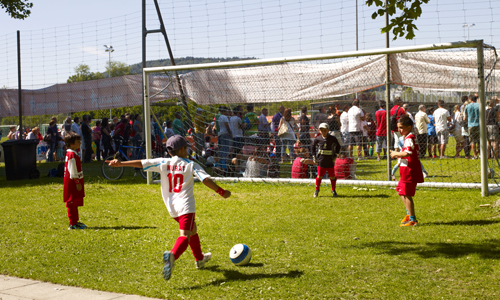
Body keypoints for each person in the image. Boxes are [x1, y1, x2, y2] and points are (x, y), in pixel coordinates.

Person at [106, 135, 231, 280]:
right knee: (185, 235)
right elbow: (206, 179)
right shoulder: (190, 164)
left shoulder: (162, 162)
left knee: (193, 228)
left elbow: (141, 163)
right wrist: (222, 192)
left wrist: (121, 164)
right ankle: (172, 255)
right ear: (183, 149)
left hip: (171, 207)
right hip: (185, 206)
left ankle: (199, 259)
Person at [390, 116, 424, 227]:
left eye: (401, 127)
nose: (399, 130)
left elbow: (407, 153)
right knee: (400, 190)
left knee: (407, 194)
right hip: (405, 169)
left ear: (409, 127)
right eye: (398, 128)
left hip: (410, 170)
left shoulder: (410, 138)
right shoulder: (407, 137)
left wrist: (396, 154)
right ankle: (409, 214)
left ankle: (413, 220)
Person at [63, 132, 87, 230]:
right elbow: (72, 170)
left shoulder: (72, 153)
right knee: (72, 203)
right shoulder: (72, 154)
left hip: (74, 181)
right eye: (78, 141)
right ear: (72, 143)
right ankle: (72, 224)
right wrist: (77, 182)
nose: (80, 143)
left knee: (75, 202)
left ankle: (75, 221)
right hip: (73, 182)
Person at [312, 123, 341, 198]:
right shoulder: (318, 139)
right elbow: (312, 146)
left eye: (325, 130)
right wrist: (314, 156)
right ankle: (317, 190)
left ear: (328, 130)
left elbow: (338, 146)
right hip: (321, 161)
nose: (323, 132)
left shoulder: (332, 138)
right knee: (319, 176)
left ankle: (333, 189)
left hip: (330, 160)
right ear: (319, 131)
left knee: (332, 176)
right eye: (321, 130)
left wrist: (336, 154)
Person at [464, 95, 480, 159]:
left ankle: (475, 155)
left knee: (472, 141)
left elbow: (464, 118)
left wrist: (467, 122)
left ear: (470, 99)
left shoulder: (467, 106)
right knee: (479, 141)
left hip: (470, 125)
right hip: (479, 125)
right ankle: (480, 154)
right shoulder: (479, 105)